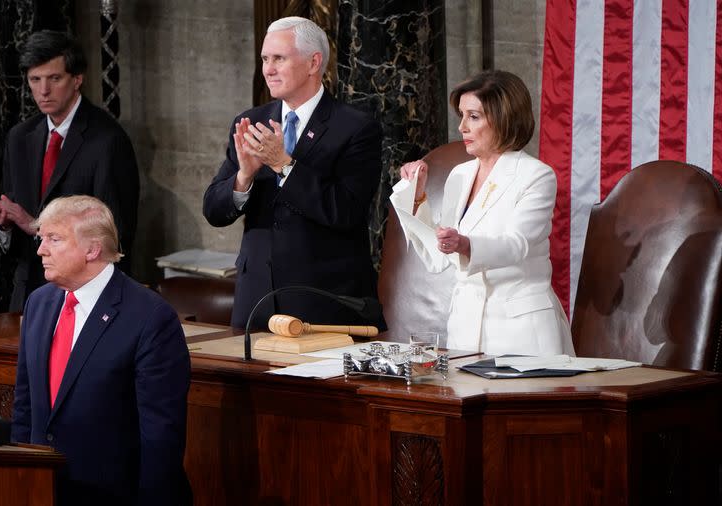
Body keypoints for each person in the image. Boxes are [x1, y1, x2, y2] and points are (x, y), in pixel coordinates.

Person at [203, 16, 385, 329]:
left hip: (321, 302)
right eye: (264, 59)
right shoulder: (250, 121)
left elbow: (345, 210)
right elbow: (214, 211)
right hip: (256, 301)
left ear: (314, 62)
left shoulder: (355, 128)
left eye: (279, 59)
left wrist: (283, 164)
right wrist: (243, 177)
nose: (268, 70)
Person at [11, 195, 191, 506]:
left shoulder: (150, 317)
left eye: (54, 239)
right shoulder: (39, 303)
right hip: (43, 489)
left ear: (92, 249)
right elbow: (24, 407)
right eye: (42, 238)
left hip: (114, 494)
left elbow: (161, 436)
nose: (41, 249)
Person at [390, 70, 574, 356]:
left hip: (521, 331)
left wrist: (466, 244)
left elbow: (518, 244)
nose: (462, 127)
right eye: (461, 116)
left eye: (473, 117)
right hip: (465, 329)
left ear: (503, 119)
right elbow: (440, 256)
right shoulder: (460, 175)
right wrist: (418, 197)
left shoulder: (536, 175)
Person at [0, 30, 139, 312]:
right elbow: (16, 243)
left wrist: (36, 226)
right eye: (35, 80)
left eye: (54, 78)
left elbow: (115, 237)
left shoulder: (108, 140)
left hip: (83, 298)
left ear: (77, 79)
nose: (43, 90)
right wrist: (5, 225)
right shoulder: (19, 137)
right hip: (28, 297)